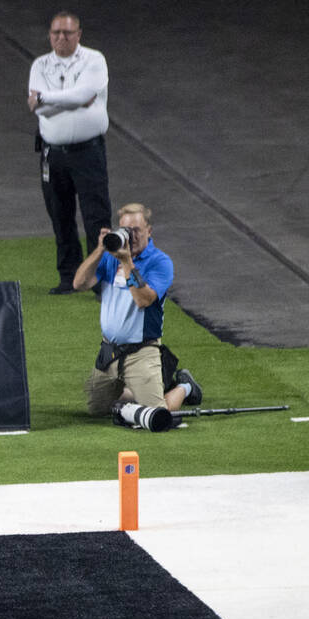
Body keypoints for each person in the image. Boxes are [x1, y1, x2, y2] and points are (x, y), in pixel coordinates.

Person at [73, 203, 203, 419]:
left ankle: (185, 386)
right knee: (98, 411)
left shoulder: (159, 262)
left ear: (148, 231)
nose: (131, 236)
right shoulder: (108, 258)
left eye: (136, 231)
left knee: (157, 414)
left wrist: (126, 261)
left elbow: (143, 300)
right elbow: (79, 284)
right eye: (126, 230)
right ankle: (135, 388)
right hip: (110, 351)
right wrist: (100, 249)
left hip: (141, 352)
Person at [28, 11, 111, 295]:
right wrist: (71, 100)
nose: (61, 38)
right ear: (50, 35)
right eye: (56, 33)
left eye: (67, 33)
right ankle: (69, 276)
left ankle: (101, 280)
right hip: (54, 154)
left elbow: (82, 94)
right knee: (59, 214)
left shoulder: (94, 60)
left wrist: (47, 97)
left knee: (96, 215)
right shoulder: (40, 65)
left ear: (79, 34)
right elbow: (39, 108)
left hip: (88, 151)